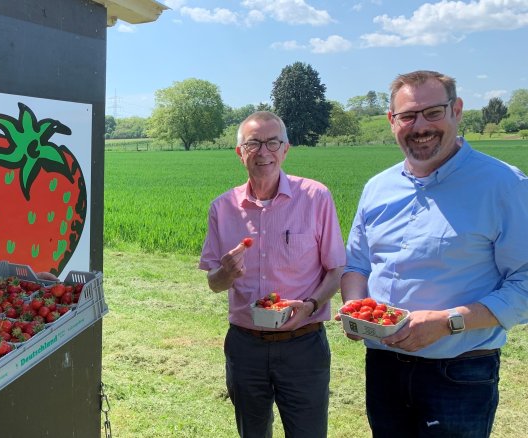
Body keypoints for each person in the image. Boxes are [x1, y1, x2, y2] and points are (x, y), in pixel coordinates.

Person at [341, 70, 528, 437]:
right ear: (391, 122)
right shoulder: (378, 188)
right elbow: (356, 264)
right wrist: (354, 307)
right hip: (383, 366)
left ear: (456, 110)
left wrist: (447, 322)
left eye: (432, 112)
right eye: (408, 116)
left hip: (458, 372)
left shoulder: (503, 185)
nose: (420, 126)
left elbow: (525, 284)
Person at [199, 111, 345, 438]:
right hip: (245, 346)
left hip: (303, 343)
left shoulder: (316, 197)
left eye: (272, 142)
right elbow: (213, 282)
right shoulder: (222, 208)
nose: (263, 152)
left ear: (285, 149)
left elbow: (336, 270)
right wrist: (227, 273)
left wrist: (310, 304)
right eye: (253, 143)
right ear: (240, 153)